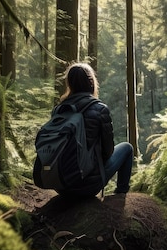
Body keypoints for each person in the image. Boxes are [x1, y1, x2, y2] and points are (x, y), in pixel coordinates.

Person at [55, 62, 134, 197]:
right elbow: (108, 152)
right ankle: (121, 193)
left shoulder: (60, 109)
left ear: (70, 84)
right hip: (87, 186)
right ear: (91, 83)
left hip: (60, 184)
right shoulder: (100, 109)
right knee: (127, 148)